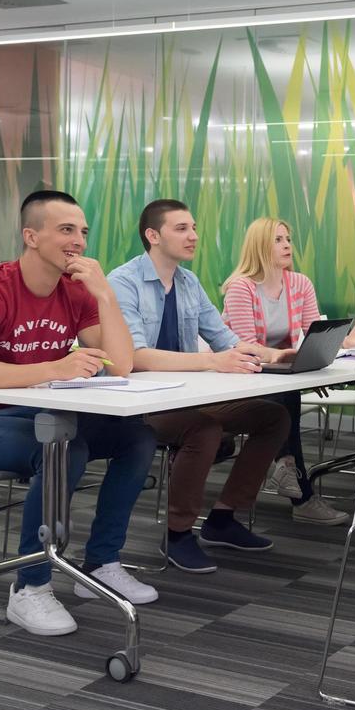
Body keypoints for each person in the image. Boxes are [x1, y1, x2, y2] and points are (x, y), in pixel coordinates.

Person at [0, 190, 157, 637]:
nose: (79, 242)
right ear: (31, 236)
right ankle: (30, 587)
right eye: (66, 230)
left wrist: (105, 295)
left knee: (136, 438)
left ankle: (102, 563)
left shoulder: (76, 293)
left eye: (83, 232)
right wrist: (55, 367)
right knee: (63, 448)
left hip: (27, 413)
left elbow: (123, 364)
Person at [107, 199, 293, 573]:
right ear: (152, 236)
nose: (193, 236)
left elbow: (225, 340)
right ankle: (177, 534)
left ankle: (223, 519)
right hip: (140, 405)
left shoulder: (188, 282)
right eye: (181, 229)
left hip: (185, 395)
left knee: (272, 416)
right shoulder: (122, 282)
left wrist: (275, 355)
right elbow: (136, 357)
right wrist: (210, 361)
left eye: (193, 228)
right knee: (204, 428)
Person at [221, 217, 355, 526]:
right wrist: (284, 360)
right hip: (237, 375)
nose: (287, 245)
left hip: (279, 373)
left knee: (285, 389)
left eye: (288, 238)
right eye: (278, 240)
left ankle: (289, 473)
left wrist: (344, 341)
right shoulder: (240, 287)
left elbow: (312, 332)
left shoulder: (300, 283)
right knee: (285, 390)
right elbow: (246, 346)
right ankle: (300, 493)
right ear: (259, 246)